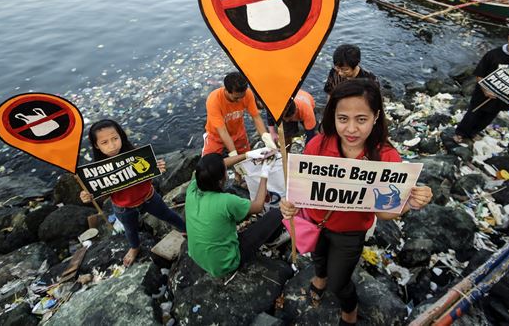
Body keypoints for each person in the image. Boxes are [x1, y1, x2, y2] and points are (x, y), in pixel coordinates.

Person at [280, 79, 432, 325]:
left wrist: (410, 204)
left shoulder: (386, 157)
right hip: (315, 222)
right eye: (343, 119)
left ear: (376, 116)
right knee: (318, 257)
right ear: (333, 116)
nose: (351, 129)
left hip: (350, 233)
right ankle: (320, 277)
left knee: (340, 281)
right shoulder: (318, 144)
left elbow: (384, 214)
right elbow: (299, 191)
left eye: (361, 119)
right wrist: (288, 205)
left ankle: (349, 310)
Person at [79, 119, 186, 267]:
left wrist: (156, 168)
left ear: (121, 137)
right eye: (104, 142)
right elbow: (103, 195)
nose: (112, 145)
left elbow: (147, 172)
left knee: (168, 215)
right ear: (97, 146)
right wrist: (90, 195)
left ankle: (186, 229)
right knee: (130, 230)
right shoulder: (97, 171)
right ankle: (135, 247)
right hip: (124, 207)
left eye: (115, 138)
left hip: (149, 197)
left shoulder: (136, 155)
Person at [185, 149, 283, 277]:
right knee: (276, 214)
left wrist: (247, 155)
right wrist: (264, 174)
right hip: (226, 263)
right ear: (221, 180)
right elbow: (258, 206)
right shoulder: (226, 201)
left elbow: (218, 166)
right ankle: (271, 240)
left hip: (198, 256)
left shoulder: (192, 188)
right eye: (225, 171)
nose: (227, 171)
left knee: (232, 199)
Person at [454, 27, 509, 143]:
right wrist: (485, 90)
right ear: (508, 38)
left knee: (489, 116)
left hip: (504, 93)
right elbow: (479, 74)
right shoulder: (493, 54)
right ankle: (460, 133)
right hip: (483, 91)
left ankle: (473, 132)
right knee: (473, 113)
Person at [202, 72, 276, 157]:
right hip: (216, 136)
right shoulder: (214, 100)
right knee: (208, 163)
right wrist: (233, 153)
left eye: (242, 97)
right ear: (226, 90)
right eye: (236, 98)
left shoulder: (247, 94)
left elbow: (256, 117)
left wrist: (265, 135)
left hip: (238, 134)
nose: (239, 100)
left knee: (246, 159)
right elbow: (222, 131)